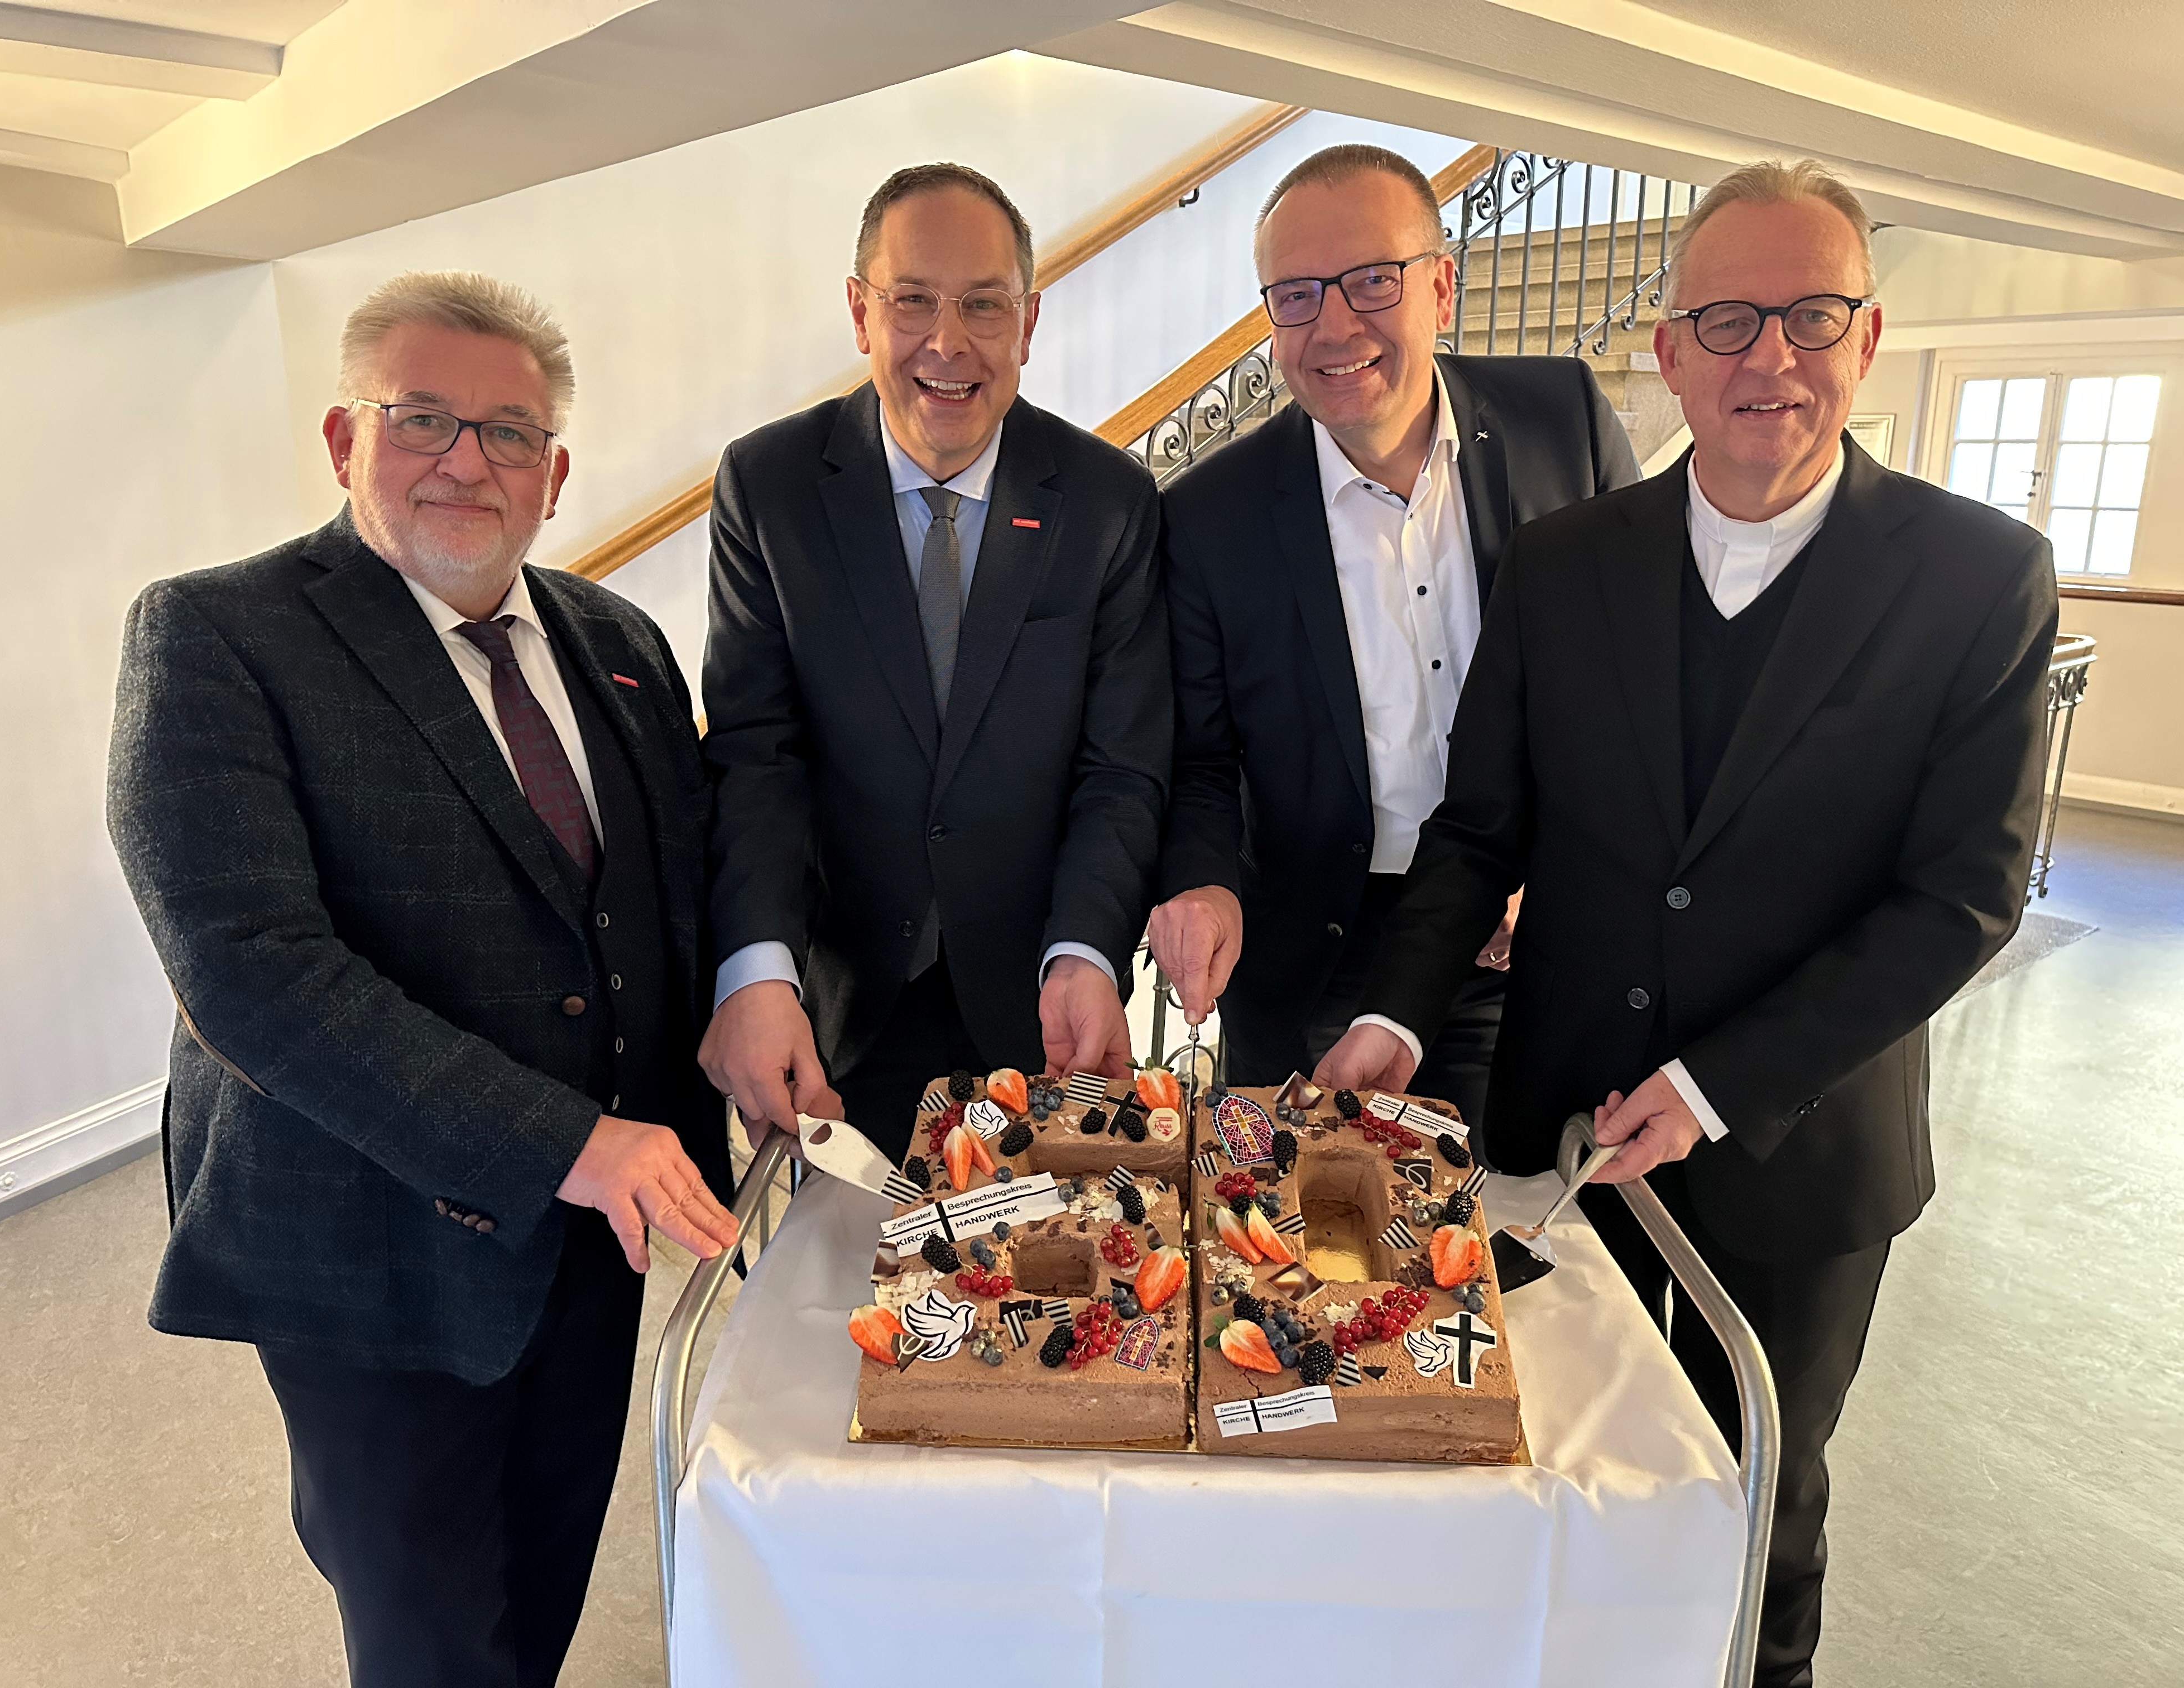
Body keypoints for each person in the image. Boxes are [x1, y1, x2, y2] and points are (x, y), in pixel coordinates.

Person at [1317, 159, 2057, 1684]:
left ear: (1864, 337)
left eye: (1809, 316)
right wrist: (1395, 1017)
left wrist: (1722, 1087)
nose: (1766, 358)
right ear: (1667, 353)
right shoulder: (1567, 559)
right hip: (1553, 1131)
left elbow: (1962, 897)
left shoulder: (1982, 578)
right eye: (1726, 320)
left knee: (1755, 1508)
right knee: (1544, 1482)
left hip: (1802, 1155)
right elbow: (1480, 832)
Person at [107, 272, 737, 1688]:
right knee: (425, 1629)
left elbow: (672, 909)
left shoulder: (619, 645)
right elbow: (250, 974)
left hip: (596, 1242)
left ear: (556, 473)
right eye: (425, 419)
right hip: (372, 1242)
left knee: (546, 1569)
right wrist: (564, 1143)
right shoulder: (217, 637)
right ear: (345, 441)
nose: (467, 459)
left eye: (509, 432)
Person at [1146, 143, 1637, 1125]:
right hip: (1316, 958)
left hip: (1528, 932)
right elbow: (1201, 757)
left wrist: (1568, 857)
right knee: (1307, 1260)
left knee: (1519, 1249)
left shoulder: (1564, 422)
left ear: (1441, 286)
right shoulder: (1206, 513)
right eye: (1295, 294)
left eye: (1373, 281)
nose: (1334, 325)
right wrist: (1203, 882)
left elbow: (1637, 679)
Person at [695, 164, 1168, 1158]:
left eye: (983, 305)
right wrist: (757, 969)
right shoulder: (768, 487)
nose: (947, 343)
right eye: (912, 300)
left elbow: (1121, 766)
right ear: (862, 312)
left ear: (1028, 324)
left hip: (1047, 1003)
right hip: (846, 1008)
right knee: (853, 1301)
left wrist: (1087, 947)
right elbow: (756, 756)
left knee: (1046, 1290)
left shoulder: (1108, 501)